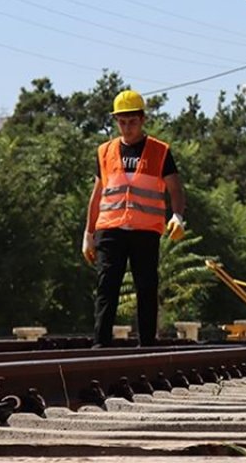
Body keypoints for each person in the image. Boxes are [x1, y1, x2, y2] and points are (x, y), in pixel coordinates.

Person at [82, 90, 186, 348]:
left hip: (145, 231)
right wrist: (88, 234)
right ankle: (101, 344)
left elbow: (176, 189)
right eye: (122, 121)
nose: (127, 127)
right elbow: (96, 196)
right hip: (110, 229)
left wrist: (178, 216)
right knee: (107, 286)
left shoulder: (160, 152)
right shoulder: (105, 152)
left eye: (132, 121)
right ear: (116, 121)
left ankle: (147, 344)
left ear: (142, 120)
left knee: (146, 288)